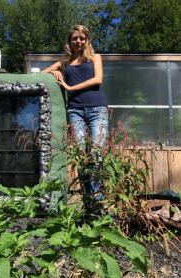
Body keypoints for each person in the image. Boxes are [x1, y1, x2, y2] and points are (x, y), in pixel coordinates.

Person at [41, 25, 108, 214]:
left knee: (95, 157)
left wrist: (70, 88)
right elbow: (38, 74)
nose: (78, 41)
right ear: (69, 41)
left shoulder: (95, 57)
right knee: (81, 158)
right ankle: (89, 206)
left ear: (87, 40)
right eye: (74, 38)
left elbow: (98, 80)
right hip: (75, 111)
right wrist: (53, 72)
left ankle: (97, 206)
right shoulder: (65, 62)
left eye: (82, 38)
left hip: (97, 110)